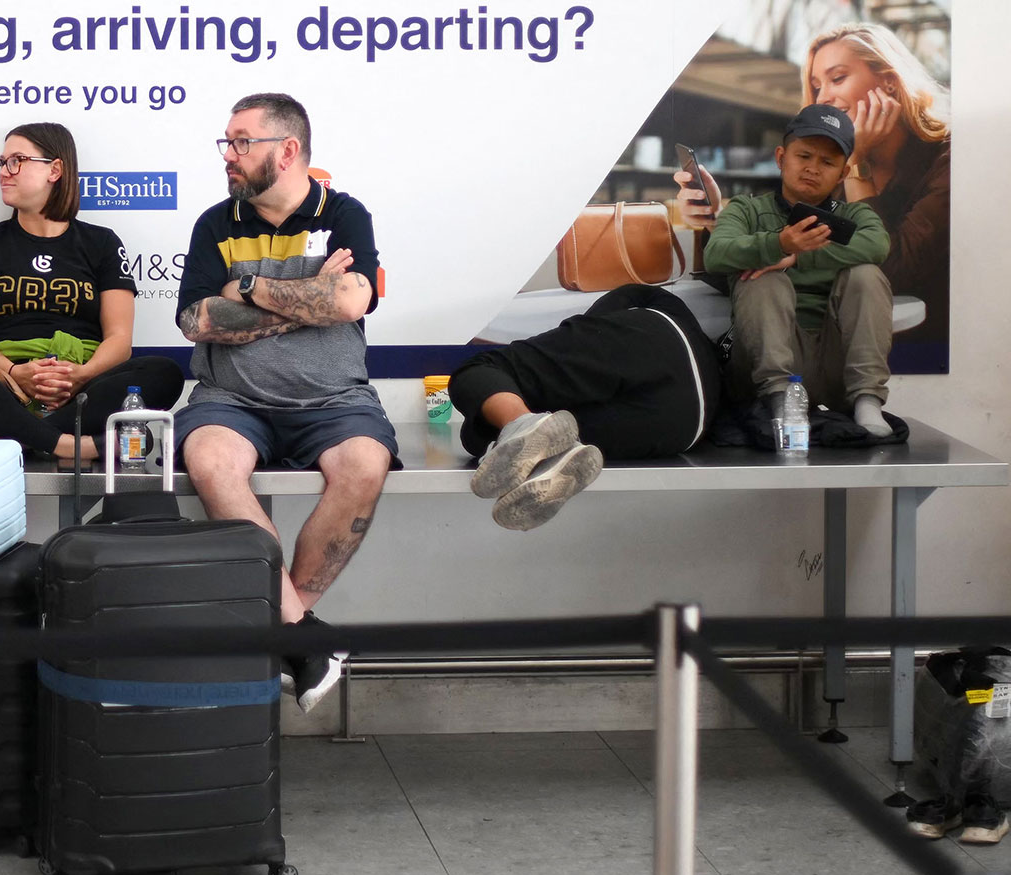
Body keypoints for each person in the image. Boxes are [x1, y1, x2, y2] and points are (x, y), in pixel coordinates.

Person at [175, 93, 396, 713]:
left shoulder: (345, 214)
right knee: (212, 462)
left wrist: (245, 288)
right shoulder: (215, 223)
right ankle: (304, 637)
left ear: (288, 150)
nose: (229, 155)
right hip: (231, 398)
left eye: (242, 141)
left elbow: (351, 302)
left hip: (334, 398)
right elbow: (196, 319)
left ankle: (286, 632)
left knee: (364, 465)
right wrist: (308, 296)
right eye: (227, 142)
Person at [678, 22, 950, 365]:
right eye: (817, 86)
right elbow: (779, 253)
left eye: (837, 79)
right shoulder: (828, 169)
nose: (824, 98)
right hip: (821, 348)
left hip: (916, 354)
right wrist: (715, 219)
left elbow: (889, 270)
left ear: (890, 83)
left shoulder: (947, 160)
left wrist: (857, 163)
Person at [0, 122, 183, 460]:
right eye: (2, 162)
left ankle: (11, 437)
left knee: (164, 373)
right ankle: (66, 444)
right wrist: (15, 374)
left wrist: (80, 376)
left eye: (17, 160)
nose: (4, 172)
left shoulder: (102, 243)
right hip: (5, 383)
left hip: (81, 383)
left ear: (55, 169)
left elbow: (119, 340)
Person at [452, 284, 723, 530]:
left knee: (478, 369)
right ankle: (550, 454)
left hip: (659, 339)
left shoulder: (637, 306)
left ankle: (521, 423)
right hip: (692, 424)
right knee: (561, 438)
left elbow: (607, 314)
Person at [702, 104, 893, 436]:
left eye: (827, 162)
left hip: (837, 363)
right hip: (765, 366)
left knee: (866, 274)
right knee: (764, 277)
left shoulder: (856, 217)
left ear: (843, 173)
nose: (813, 169)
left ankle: (868, 401)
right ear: (781, 157)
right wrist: (778, 245)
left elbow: (878, 246)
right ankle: (779, 404)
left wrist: (799, 255)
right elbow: (716, 253)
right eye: (804, 156)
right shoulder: (746, 210)